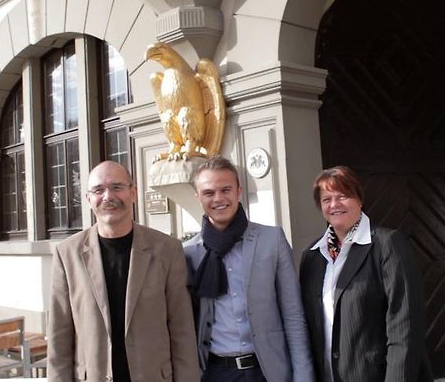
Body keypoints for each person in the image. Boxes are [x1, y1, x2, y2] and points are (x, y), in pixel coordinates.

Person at [47, 160, 200, 382]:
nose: (108, 196)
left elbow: (181, 328)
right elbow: (59, 336)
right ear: (89, 199)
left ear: (133, 193)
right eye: (99, 190)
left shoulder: (167, 250)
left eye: (117, 187)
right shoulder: (67, 254)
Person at [184, 155, 315, 382]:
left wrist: (303, 375)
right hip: (214, 373)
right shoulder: (188, 253)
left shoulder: (271, 240)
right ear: (198, 198)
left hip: (267, 371)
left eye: (226, 189)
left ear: (239, 191)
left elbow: (293, 315)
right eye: (209, 193)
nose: (218, 198)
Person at [300, 165, 433, 382]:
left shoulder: (387, 244)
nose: (334, 204)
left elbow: (405, 328)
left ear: (359, 199)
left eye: (342, 196)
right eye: (326, 199)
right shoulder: (312, 256)